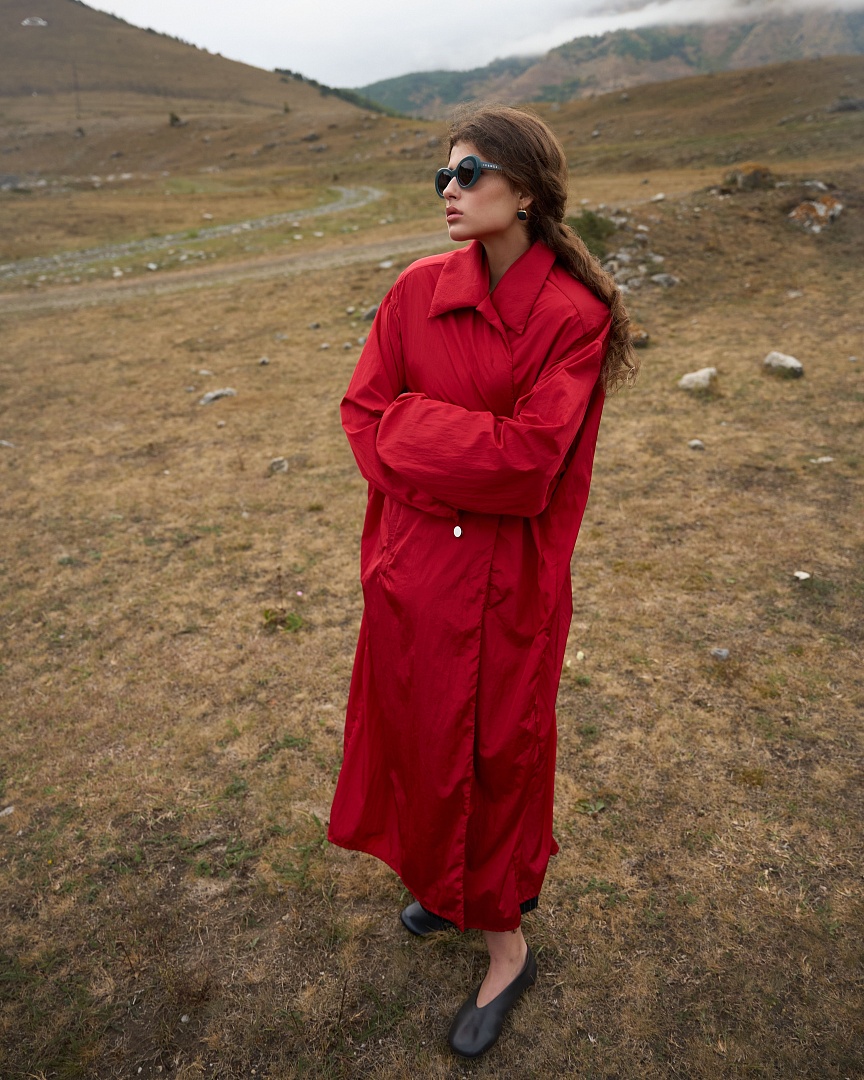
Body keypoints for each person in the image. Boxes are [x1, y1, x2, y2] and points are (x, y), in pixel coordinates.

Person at [327, 104, 637, 1058]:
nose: (449, 191)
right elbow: (363, 415)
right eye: (444, 175)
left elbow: (529, 463)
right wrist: (440, 445)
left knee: (499, 753)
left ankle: (507, 949)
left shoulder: (574, 317)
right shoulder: (415, 291)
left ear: (526, 191)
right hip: (415, 569)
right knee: (421, 735)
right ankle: (443, 885)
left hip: (509, 583)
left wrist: (415, 426)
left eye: (470, 174)